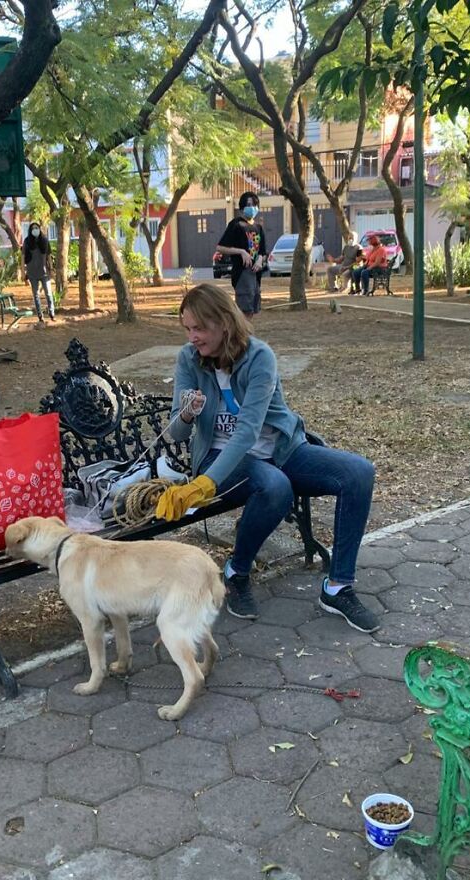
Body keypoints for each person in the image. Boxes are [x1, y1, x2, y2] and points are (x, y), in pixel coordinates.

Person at [154, 283, 380, 632]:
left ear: (224, 323)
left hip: (280, 450)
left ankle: (337, 587)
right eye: (187, 328)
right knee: (276, 487)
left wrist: (203, 486)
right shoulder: (189, 358)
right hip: (218, 458)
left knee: (359, 473)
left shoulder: (260, 358)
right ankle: (237, 571)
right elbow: (178, 434)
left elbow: (247, 431)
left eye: (199, 328)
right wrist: (186, 414)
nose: (192, 337)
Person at [215, 192, 267, 319]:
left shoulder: (258, 228)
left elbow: (263, 252)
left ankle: (246, 336)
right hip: (242, 274)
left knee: (252, 311)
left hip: (255, 275)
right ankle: (242, 336)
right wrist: (241, 252)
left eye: (255, 205)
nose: (252, 207)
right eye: (249, 205)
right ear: (242, 207)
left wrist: (260, 260)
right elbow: (220, 247)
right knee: (244, 311)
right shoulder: (236, 224)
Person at [22, 222, 55, 323]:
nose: (35, 230)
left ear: (39, 229)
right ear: (30, 230)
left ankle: (51, 313)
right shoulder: (27, 242)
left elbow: (49, 256)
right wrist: (23, 272)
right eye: (33, 228)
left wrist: (51, 269)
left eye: (37, 228)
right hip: (32, 272)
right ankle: (40, 316)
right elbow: (22, 257)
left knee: (48, 293)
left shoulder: (44, 240)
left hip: (44, 272)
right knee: (36, 295)